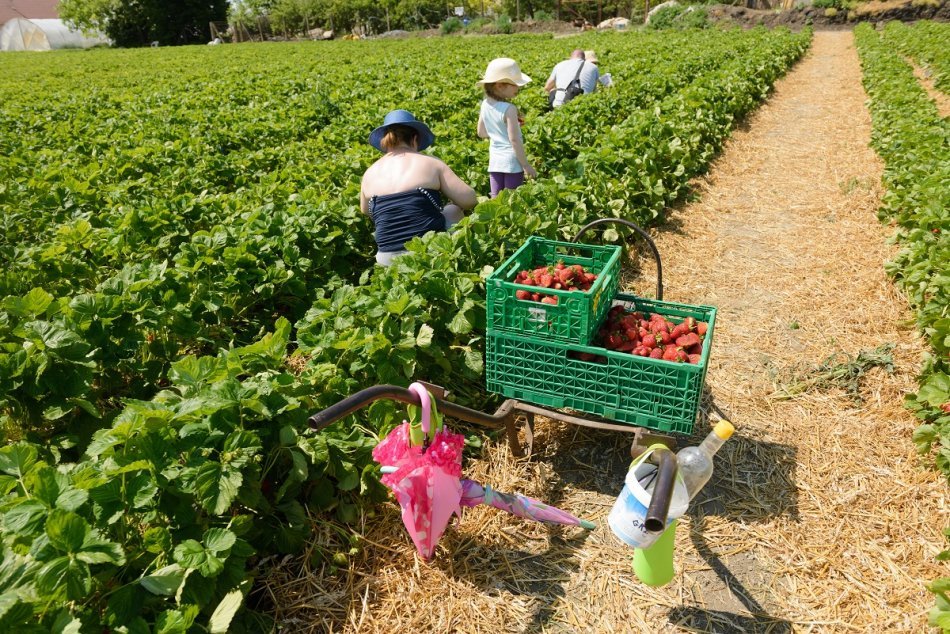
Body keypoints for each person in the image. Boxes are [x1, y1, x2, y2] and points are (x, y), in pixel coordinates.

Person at [361, 110, 478, 266]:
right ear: (415, 138)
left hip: (386, 257)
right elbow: (469, 200)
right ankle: (464, 261)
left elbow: (366, 211)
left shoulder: (369, 173)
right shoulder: (430, 162)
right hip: (427, 250)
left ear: (385, 142)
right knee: (453, 210)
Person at [476, 58, 537, 198]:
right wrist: (526, 165)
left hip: (495, 162)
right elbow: (514, 140)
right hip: (512, 162)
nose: (518, 88)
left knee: (496, 199)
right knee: (512, 200)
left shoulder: (485, 104)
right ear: (499, 85)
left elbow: (481, 132)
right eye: (515, 84)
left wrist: (498, 131)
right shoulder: (509, 108)